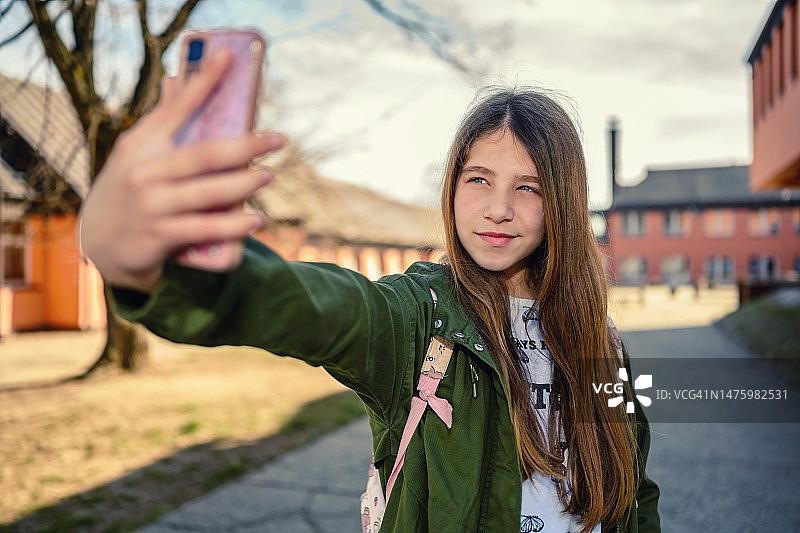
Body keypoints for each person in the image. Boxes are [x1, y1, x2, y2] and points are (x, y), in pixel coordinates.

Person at [80, 49, 661, 533]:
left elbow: (633, 481)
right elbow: (325, 308)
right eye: (478, 179)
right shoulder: (419, 318)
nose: (498, 209)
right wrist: (160, 265)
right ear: (453, 186)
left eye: (528, 187)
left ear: (561, 202)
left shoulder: (598, 336)